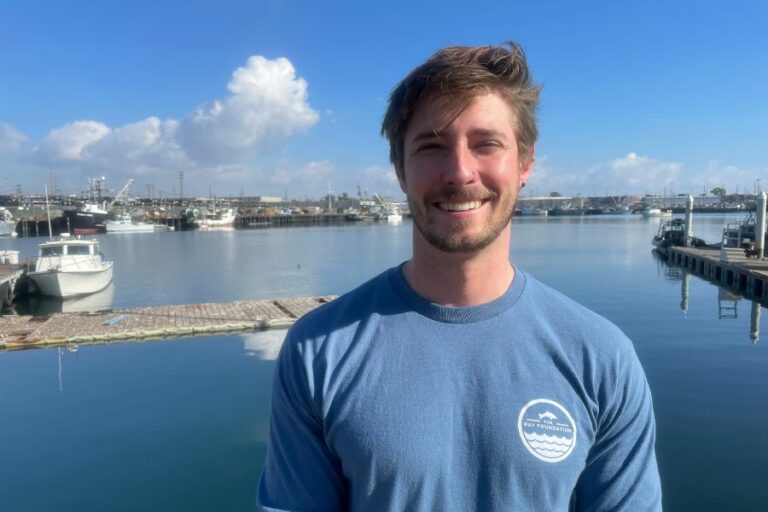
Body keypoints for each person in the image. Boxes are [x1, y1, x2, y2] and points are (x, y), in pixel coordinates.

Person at [257, 42, 662, 511]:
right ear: (400, 169)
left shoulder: (601, 358)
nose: (460, 172)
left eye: (486, 144)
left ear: (525, 163)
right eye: (431, 146)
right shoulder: (318, 351)